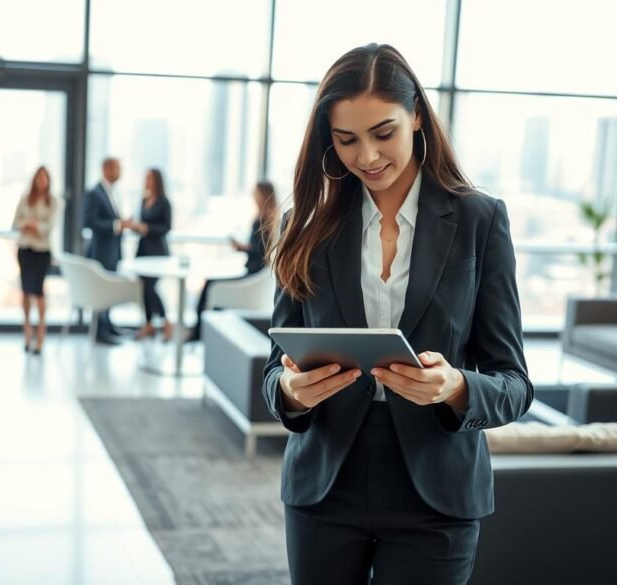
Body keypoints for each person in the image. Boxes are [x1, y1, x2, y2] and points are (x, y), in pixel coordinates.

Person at [262, 44, 533, 585]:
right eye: (346, 140)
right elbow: (275, 372)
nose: (366, 156)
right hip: (324, 486)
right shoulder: (305, 226)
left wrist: (455, 387)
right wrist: (291, 393)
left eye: (383, 133)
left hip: (436, 495)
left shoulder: (479, 220)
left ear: (416, 116)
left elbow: (515, 384)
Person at [188, 181, 277, 342]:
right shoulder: (268, 219)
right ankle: (199, 333)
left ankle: (197, 334)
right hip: (254, 273)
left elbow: (260, 252)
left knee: (209, 285)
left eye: (256, 194)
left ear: (263, 195)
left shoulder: (264, 221)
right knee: (210, 284)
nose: (254, 197)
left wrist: (242, 247)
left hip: (253, 275)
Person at [13, 166, 62, 355]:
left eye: (45, 178)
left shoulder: (54, 202)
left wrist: (32, 224)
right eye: (39, 178)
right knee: (25, 290)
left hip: (42, 251)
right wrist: (30, 225)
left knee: (39, 291)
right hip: (25, 249)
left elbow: (48, 227)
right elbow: (16, 222)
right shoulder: (26, 198)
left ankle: (41, 333)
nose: (42, 182)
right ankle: (27, 330)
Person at [83, 157, 128, 345]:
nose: (120, 172)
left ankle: (107, 325)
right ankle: (100, 330)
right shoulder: (95, 193)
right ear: (106, 169)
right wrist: (117, 225)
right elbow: (88, 222)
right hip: (100, 252)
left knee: (108, 290)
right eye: (117, 168)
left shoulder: (111, 192)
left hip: (112, 251)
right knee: (101, 290)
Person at [126, 169, 173, 342]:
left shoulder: (164, 202)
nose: (146, 181)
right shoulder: (144, 200)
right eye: (145, 178)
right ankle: (148, 324)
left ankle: (166, 322)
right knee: (144, 289)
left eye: (149, 178)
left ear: (157, 181)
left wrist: (147, 228)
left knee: (151, 288)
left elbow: (166, 227)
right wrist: (135, 226)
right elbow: (142, 225)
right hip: (143, 250)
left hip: (158, 252)